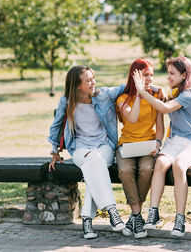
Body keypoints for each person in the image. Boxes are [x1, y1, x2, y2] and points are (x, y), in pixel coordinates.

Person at [48, 65, 163, 239]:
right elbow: (56, 126)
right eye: (88, 80)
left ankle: (91, 220)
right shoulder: (66, 102)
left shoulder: (103, 95)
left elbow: (127, 86)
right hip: (80, 149)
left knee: (94, 165)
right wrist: (54, 150)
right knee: (94, 164)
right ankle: (111, 211)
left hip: (105, 147)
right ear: (77, 85)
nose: (94, 82)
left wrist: (155, 88)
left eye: (93, 78)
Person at [132, 56, 191, 236]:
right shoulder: (174, 92)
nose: (168, 77)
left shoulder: (188, 94)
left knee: (179, 166)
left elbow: (164, 109)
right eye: (168, 73)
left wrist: (143, 91)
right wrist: (149, 86)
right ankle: (153, 213)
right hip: (174, 141)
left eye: (172, 73)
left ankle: (180, 219)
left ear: (184, 75)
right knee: (160, 164)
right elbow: (161, 93)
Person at [116, 59, 164, 239]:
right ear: (135, 76)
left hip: (148, 145)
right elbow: (133, 118)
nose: (150, 78)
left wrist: (158, 144)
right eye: (145, 75)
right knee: (125, 170)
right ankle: (137, 216)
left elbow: (160, 125)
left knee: (146, 169)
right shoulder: (122, 99)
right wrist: (138, 94)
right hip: (127, 144)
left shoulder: (156, 97)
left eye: (152, 75)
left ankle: (133, 218)